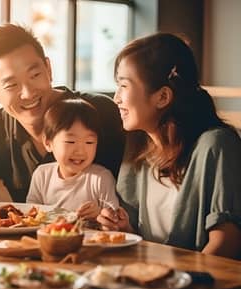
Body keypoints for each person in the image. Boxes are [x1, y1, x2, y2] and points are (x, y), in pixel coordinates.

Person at [0, 23, 124, 209]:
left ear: (49, 69)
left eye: (34, 75)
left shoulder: (101, 112)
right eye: (11, 85)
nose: (28, 93)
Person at [97, 32, 241, 259]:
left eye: (123, 86)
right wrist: (124, 230)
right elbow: (146, 243)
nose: (116, 98)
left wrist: (175, 282)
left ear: (163, 97)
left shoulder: (216, 145)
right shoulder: (140, 152)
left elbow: (226, 243)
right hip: (151, 283)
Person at [26, 98, 119, 221]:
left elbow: (115, 220)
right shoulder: (42, 175)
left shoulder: (100, 178)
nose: (80, 151)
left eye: (89, 142)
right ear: (48, 143)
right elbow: (30, 215)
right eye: (70, 141)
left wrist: (99, 214)